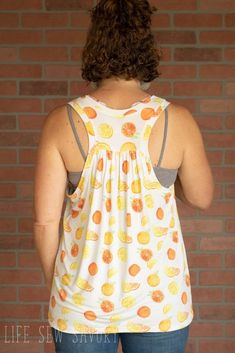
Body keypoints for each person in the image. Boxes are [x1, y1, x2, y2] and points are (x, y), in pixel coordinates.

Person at [33, 1, 214, 352]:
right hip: (159, 302)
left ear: (94, 48)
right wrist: (163, 174)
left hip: (82, 302)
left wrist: (59, 285)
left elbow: (44, 223)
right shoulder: (177, 120)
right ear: (146, 48)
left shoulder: (62, 121)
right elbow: (201, 196)